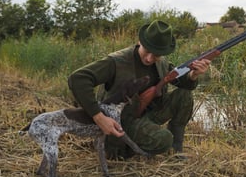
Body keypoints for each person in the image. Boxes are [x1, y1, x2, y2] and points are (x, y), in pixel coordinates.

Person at [68, 20, 210, 158]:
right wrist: (98, 117)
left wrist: (193, 75)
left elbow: (183, 83)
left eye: (156, 55)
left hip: (145, 115)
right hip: (120, 122)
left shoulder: (162, 63)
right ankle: (123, 147)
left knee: (184, 94)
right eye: (147, 51)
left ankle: (176, 150)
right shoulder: (116, 61)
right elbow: (78, 79)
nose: (149, 59)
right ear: (140, 42)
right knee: (164, 139)